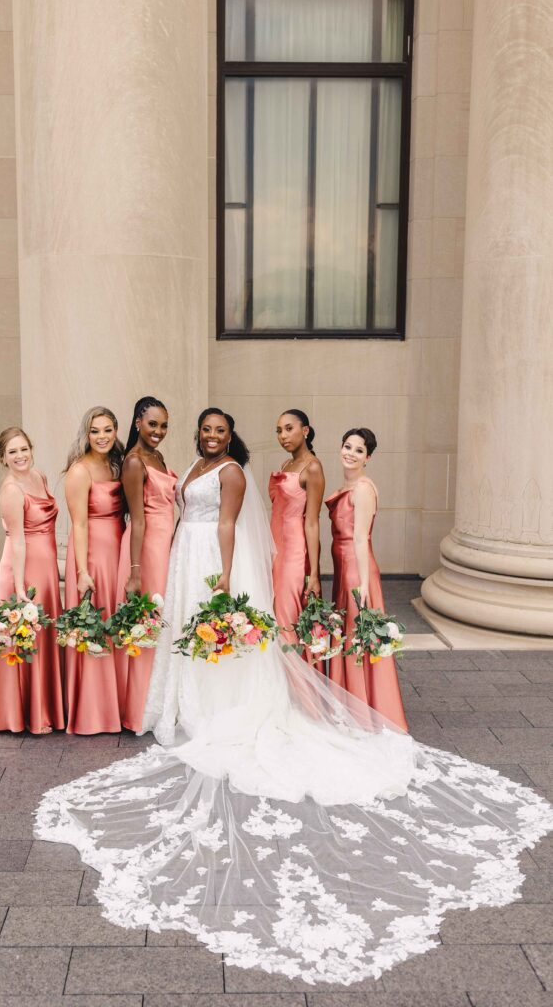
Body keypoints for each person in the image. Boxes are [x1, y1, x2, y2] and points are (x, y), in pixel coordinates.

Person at [35, 410, 553, 986]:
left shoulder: (230, 471)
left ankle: (218, 705)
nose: (209, 436)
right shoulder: (194, 465)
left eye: (218, 429)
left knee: (218, 638)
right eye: (203, 429)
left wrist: (227, 576)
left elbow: (230, 525)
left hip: (212, 558)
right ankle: (190, 699)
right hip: (186, 553)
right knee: (183, 634)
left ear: (231, 436)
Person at [0, 427, 64, 735]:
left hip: (46, 567)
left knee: (43, 633)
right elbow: (18, 541)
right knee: (24, 635)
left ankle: (45, 707)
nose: (20, 456)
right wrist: (20, 587)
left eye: (24, 449)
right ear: (2, 458)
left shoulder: (39, 476)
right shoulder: (10, 490)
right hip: (23, 569)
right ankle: (24, 715)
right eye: (13, 452)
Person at [325, 427, 408, 730]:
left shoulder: (362, 488)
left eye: (359, 450)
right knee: (348, 633)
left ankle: (362, 708)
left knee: (356, 634)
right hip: (343, 568)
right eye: (347, 446)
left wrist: (361, 584)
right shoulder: (348, 486)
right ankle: (349, 702)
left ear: (368, 457)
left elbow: (360, 538)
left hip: (355, 569)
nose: (350, 453)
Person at [115, 396, 177, 730]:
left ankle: (157, 701)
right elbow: (137, 520)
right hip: (145, 551)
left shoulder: (158, 456)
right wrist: (135, 571)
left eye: (164, 425)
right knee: (146, 623)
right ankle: (137, 708)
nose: (158, 431)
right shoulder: (135, 461)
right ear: (138, 422)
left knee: (160, 622)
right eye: (153, 424)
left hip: (163, 549)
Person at [63, 406, 125, 734]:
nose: (102, 437)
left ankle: (117, 703)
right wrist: (81, 570)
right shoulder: (80, 470)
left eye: (107, 430)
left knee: (115, 619)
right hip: (93, 552)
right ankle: (92, 711)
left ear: (116, 431)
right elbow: (78, 524)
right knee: (94, 621)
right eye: (95, 431)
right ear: (86, 434)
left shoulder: (116, 463)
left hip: (117, 546)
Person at [269, 409, 325, 668]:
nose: (283, 435)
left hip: (293, 553)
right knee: (274, 615)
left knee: (287, 619)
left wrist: (313, 573)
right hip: (275, 550)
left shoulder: (312, 467)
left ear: (305, 430)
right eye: (279, 430)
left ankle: (301, 694)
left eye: (289, 428)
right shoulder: (286, 465)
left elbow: (312, 522)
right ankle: (281, 686)